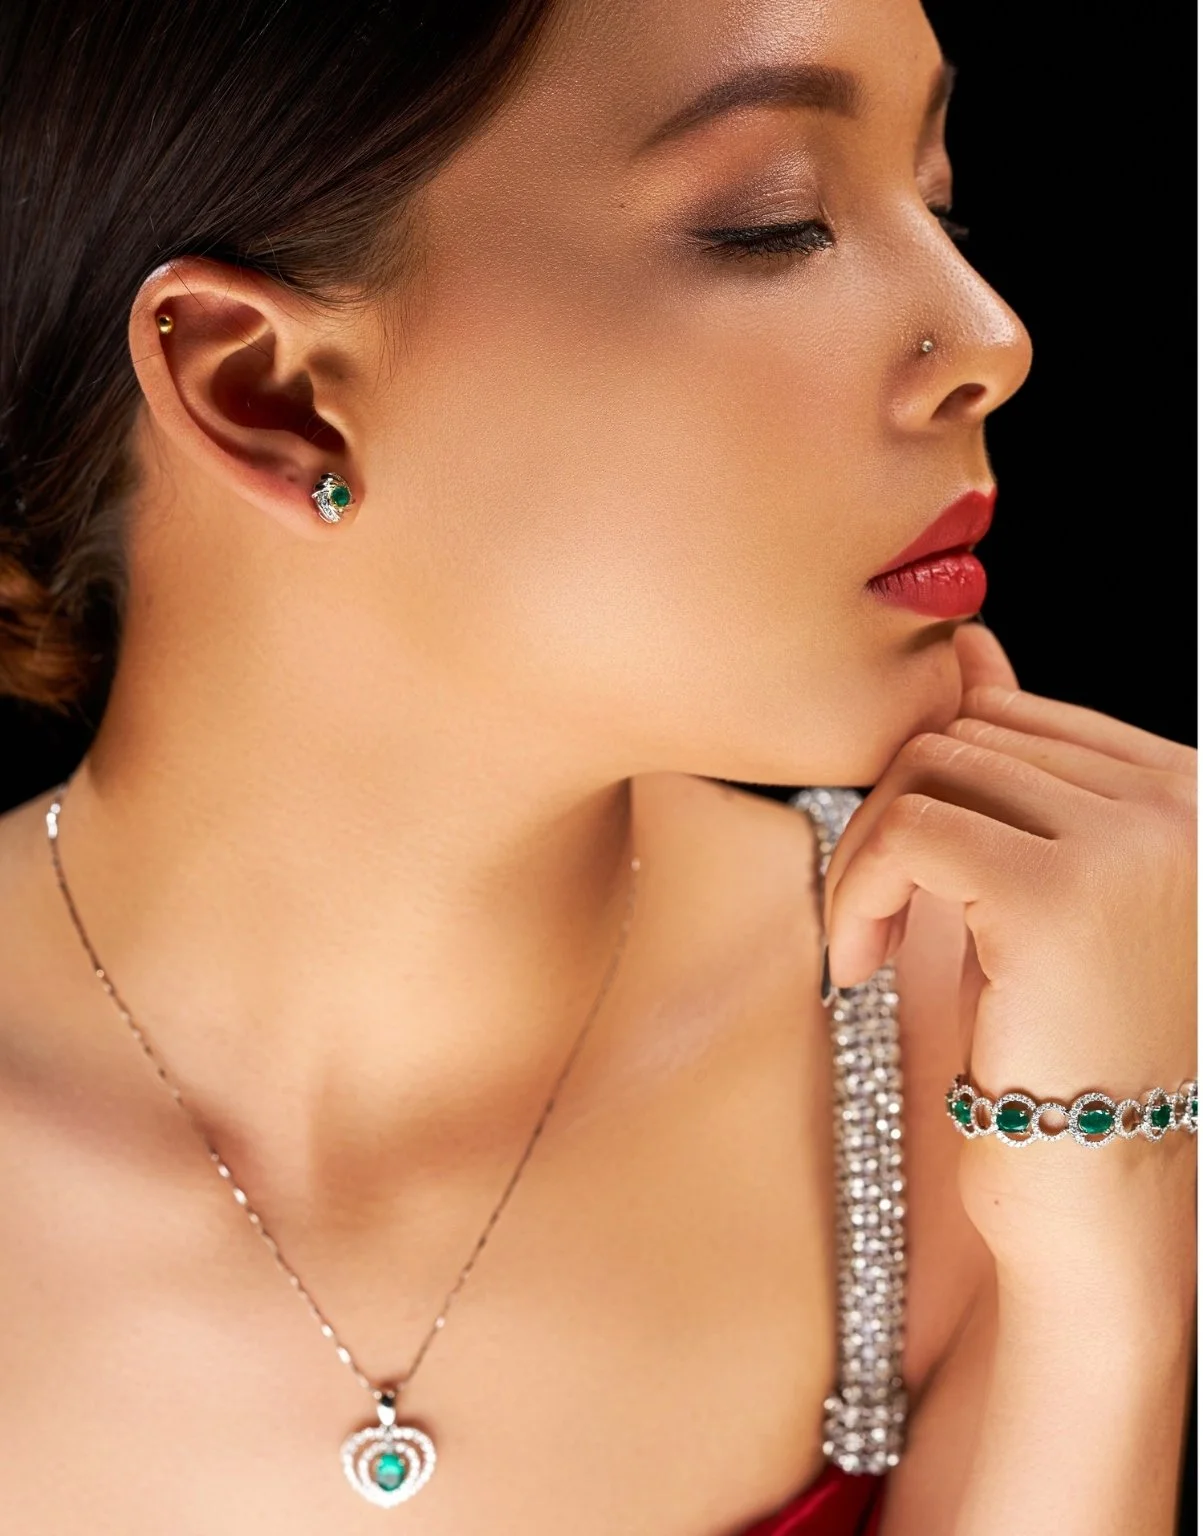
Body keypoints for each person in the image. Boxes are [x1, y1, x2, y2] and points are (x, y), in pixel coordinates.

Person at [0, 0, 1195, 1531]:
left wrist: (1112, 1238)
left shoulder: (1006, 1053)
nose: (990, 339)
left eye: (939, 200)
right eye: (775, 224)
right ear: (269, 393)